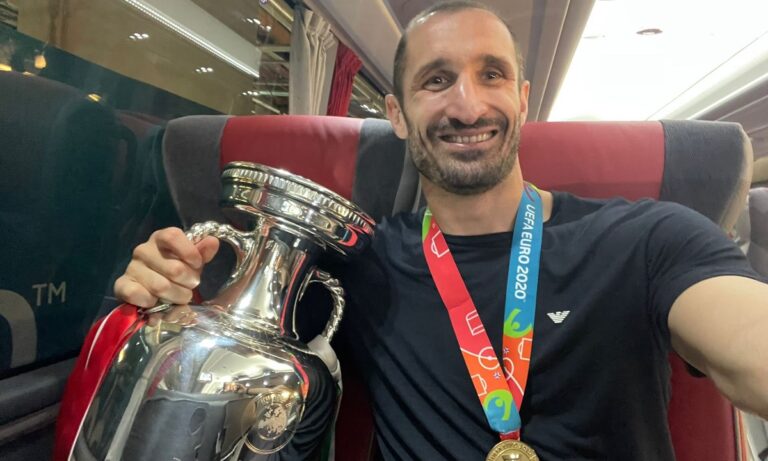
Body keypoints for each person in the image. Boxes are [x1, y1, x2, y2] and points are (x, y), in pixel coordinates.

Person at [115, 1, 768, 459]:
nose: (467, 104)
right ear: (398, 114)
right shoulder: (359, 263)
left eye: (492, 74)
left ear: (523, 101)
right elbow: (230, 346)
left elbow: (748, 344)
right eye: (436, 80)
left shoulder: (648, 239)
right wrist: (174, 288)